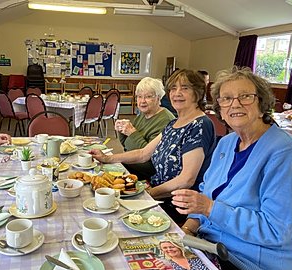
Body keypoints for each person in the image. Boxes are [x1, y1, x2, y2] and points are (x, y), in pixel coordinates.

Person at [172, 67, 292, 270]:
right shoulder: (226, 143)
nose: (235, 104)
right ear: (219, 108)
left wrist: (210, 208)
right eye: (227, 99)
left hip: (252, 266)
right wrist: (187, 229)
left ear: (262, 103)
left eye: (245, 96)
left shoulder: (283, 151)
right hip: (210, 247)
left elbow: (277, 230)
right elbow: (205, 195)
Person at [90, 69, 216, 224]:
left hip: (176, 205)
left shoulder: (200, 124)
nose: (177, 93)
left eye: (185, 88)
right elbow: (143, 153)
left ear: (197, 92)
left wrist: (149, 193)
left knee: (111, 215)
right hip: (159, 194)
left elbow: (186, 179)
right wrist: (107, 158)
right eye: (173, 88)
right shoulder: (174, 123)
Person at [115, 77, 175, 180]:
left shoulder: (166, 120)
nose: (142, 101)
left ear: (158, 98)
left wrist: (132, 132)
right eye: (139, 96)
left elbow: (149, 156)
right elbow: (127, 146)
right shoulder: (143, 114)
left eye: (148, 97)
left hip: (150, 171)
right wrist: (122, 131)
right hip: (135, 162)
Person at [154, 233, 225, 270]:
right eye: (165, 248)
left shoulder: (195, 254)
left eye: (171, 247)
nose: (169, 250)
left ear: (179, 246)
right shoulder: (168, 265)